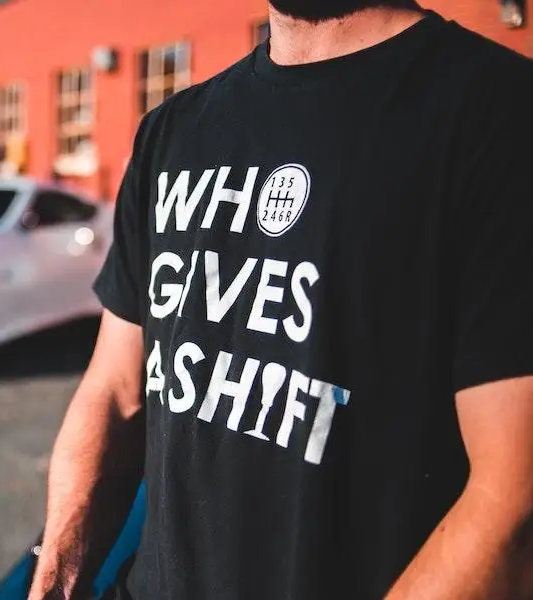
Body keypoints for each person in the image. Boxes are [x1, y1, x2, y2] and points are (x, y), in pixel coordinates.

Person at [27, 1, 533, 599]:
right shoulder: (172, 131)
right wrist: (54, 582)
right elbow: (113, 394)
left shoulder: (500, 114)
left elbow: (512, 498)